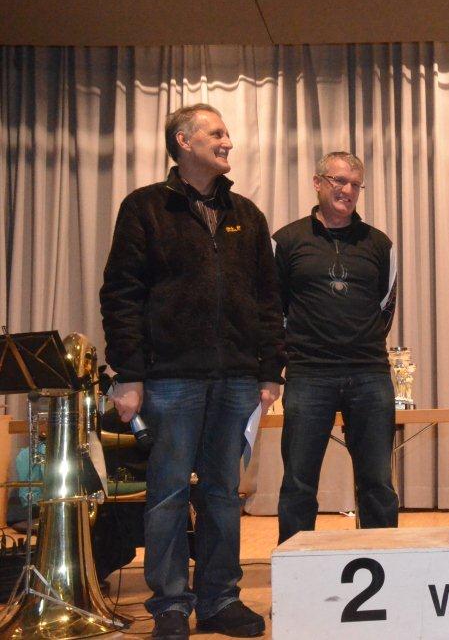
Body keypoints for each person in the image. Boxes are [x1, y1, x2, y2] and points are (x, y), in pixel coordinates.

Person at [100, 103, 284, 639]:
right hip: (170, 378)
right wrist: (129, 373)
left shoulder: (247, 214)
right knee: (168, 493)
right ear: (184, 141)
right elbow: (122, 294)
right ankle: (171, 606)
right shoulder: (144, 207)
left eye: (227, 134)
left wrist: (270, 369)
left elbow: (268, 299)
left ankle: (220, 599)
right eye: (217, 133)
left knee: (223, 493)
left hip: (236, 379)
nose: (228, 142)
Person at [274, 152, 399, 542]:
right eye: (339, 181)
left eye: (355, 184)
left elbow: (386, 307)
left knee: (378, 482)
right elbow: (273, 308)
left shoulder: (380, 244)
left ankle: (383, 558)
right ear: (317, 183)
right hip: (308, 375)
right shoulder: (286, 241)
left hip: (369, 374)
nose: (347, 190)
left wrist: (357, 344)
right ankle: (296, 565)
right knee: (298, 482)